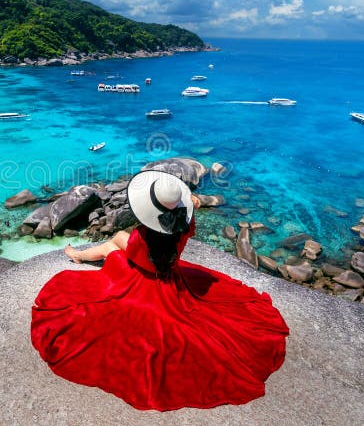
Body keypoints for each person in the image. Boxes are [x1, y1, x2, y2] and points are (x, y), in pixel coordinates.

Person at [31, 170, 289, 411]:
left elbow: (127, 249)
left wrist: (126, 237)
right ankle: (81, 255)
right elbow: (189, 211)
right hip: (172, 279)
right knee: (119, 242)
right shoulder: (184, 228)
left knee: (114, 244)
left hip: (140, 282)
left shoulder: (141, 237)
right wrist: (191, 201)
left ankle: (79, 256)